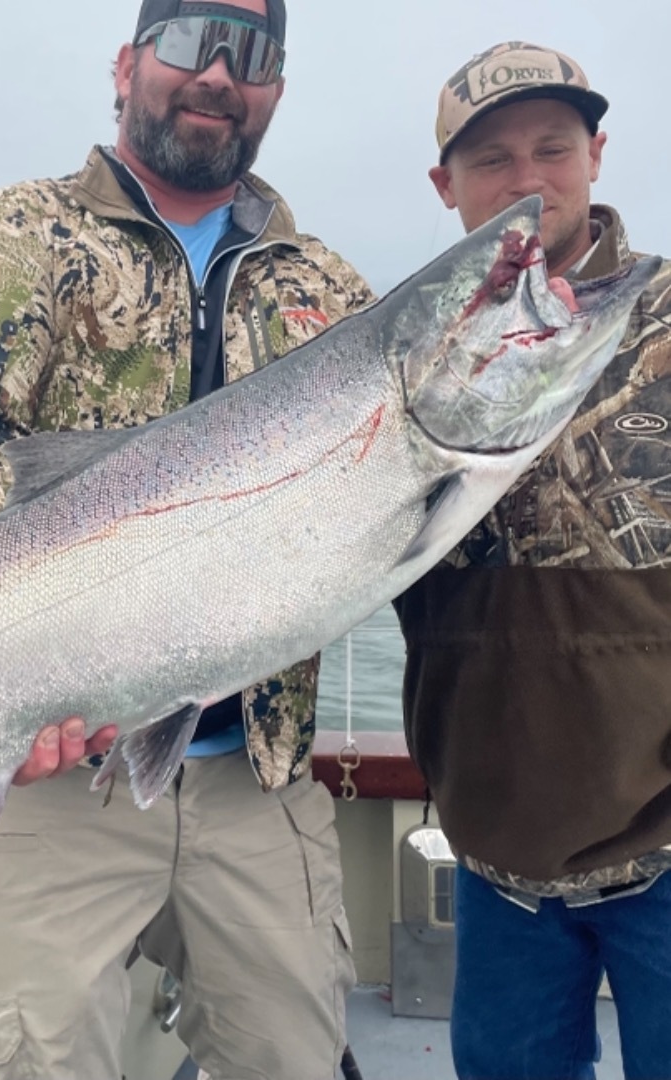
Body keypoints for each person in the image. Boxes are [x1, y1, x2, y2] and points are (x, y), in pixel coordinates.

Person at [0, 1, 373, 1076]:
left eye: (247, 52)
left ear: (275, 92)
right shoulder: (13, 241)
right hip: (50, 784)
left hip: (255, 781)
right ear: (125, 62)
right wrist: (11, 677)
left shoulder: (328, 292)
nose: (214, 72)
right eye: (188, 38)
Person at [395, 41, 671, 1080]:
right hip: (497, 860)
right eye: (490, 161)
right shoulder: (403, 354)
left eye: (551, 149)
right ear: (445, 187)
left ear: (595, 154)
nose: (525, 182)